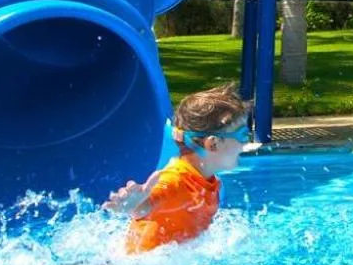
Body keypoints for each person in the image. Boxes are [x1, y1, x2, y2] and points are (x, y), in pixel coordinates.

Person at [107, 83, 252, 254]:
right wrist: (134, 204)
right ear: (213, 144)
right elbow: (147, 205)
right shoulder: (176, 179)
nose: (246, 142)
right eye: (242, 134)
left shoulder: (209, 180)